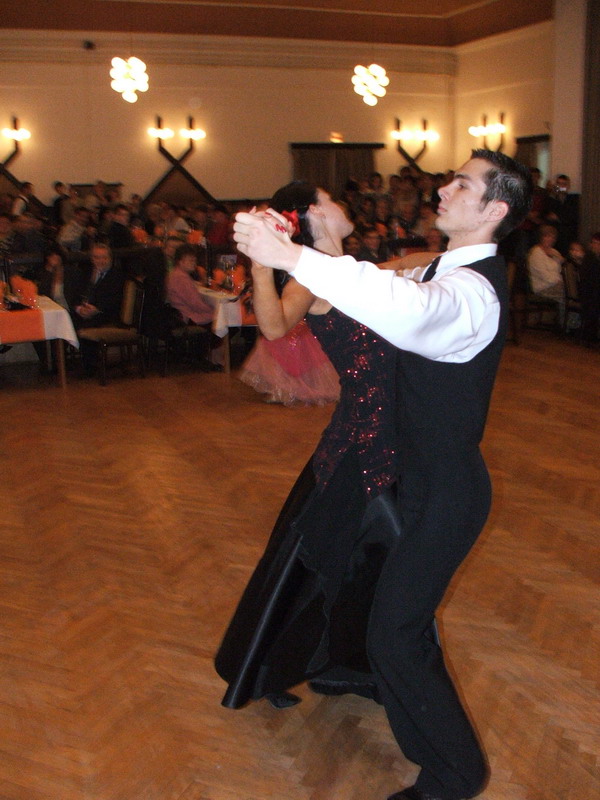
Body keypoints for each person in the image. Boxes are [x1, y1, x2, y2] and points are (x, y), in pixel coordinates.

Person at [232, 150, 533, 800]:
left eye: (463, 183)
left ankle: (454, 777)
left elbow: (408, 308)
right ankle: (429, 753)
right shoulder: (442, 268)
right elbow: (382, 280)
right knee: (393, 627)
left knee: (396, 634)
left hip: (445, 494)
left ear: (494, 208)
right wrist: (288, 258)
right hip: (413, 481)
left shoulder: (472, 292)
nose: (444, 188)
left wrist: (289, 257)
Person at [215, 181, 400, 713]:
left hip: (390, 434)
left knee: (370, 560)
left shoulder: (359, 267)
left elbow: (415, 268)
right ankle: (274, 665)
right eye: (333, 199)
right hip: (359, 442)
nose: (345, 205)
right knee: (327, 557)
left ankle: (348, 663)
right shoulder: (313, 276)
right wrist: (260, 263)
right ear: (316, 212)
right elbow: (273, 326)